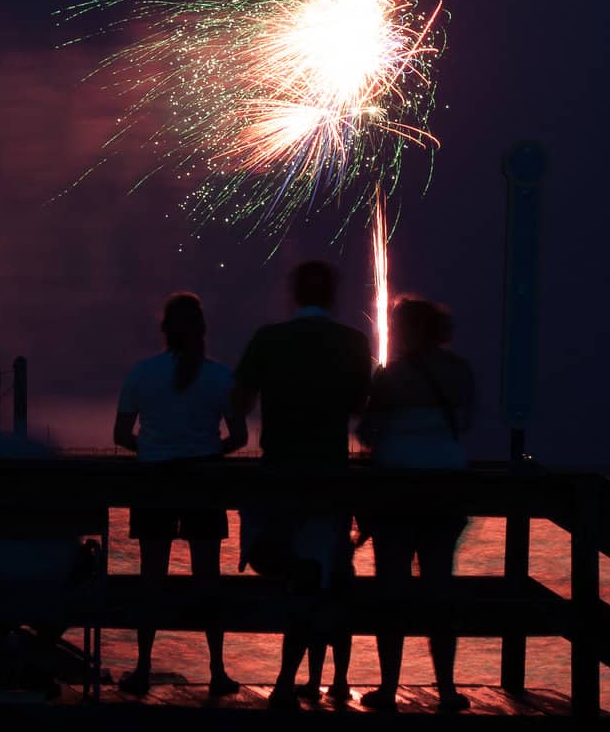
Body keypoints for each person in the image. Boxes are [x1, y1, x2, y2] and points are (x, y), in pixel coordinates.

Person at [232, 260, 371, 708]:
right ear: (333, 295)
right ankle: (289, 681)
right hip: (328, 476)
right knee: (316, 576)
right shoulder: (353, 342)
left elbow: (239, 398)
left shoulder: (268, 340)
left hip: (277, 474)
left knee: (281, 566)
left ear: (295, 294)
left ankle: (287, 679)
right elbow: (357, 405)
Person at [113, 292, 247, 699]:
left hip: (154, 481)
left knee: (151, 577)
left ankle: (140, 668)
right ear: (202, 330)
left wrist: (155, 451)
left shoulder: (141, 374)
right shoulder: (221, 377)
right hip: (203, 482)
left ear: (164, 330)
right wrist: (205, 453)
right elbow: (239, 437)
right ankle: (218, 671)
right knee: (208, 578)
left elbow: (120, 435)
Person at [358, 296, 475, 715]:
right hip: (446, 489)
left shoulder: (390, 376)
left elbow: (369, 433)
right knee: (439, 589)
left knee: (391, 590)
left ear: (407, 329)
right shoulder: (460, 371)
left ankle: (388, 689)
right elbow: (465, 423)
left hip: (397, 490)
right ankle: (446, 690)